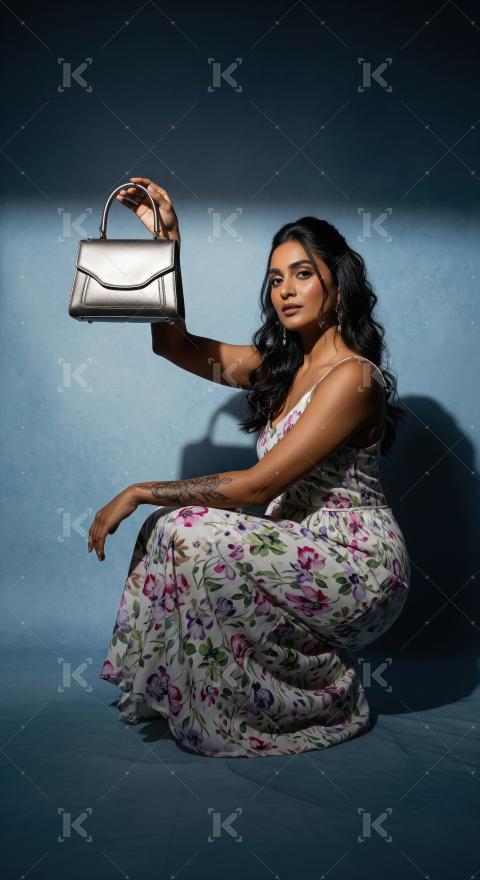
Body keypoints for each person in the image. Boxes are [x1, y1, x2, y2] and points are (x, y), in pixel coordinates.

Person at [89, 177, 410, 758]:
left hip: (358, 567)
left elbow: (256, 487)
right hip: (298, 545)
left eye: (303, 273)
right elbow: (175, 347)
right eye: (275, 278)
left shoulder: (355, 378)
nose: (286, 289)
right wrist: (169, 243)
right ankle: (224, 694)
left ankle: (321, 698)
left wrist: (139, 489)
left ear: (339, 282)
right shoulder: (279, 368)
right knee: (166, 529)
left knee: (183, 524)